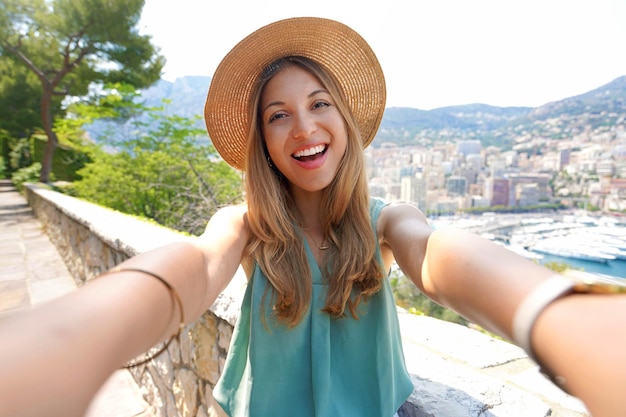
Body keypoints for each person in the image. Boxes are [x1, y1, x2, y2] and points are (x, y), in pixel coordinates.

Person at [1, 16, 626, 417]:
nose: (303, 128)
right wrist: (74, 334)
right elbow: (196, 265)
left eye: (319, 103)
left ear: (345, 124)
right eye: (278, 115)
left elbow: (435, 257)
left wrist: (555, 312)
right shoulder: (247, 225)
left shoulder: (385, 220)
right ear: (263, 141)